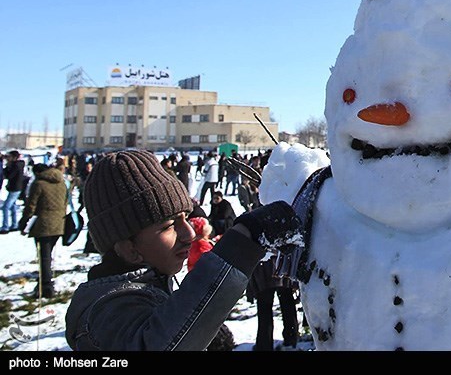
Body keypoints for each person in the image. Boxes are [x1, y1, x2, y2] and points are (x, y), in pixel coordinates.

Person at [64, 149, 302, 351]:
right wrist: (242, 242)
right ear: (129, 250)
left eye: (186, 218)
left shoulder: (150, 285)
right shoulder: (106, 312)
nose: (189, 234)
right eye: (169, 226)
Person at [18, 163, 69, 299]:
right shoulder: (62, 183)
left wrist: (24, 221)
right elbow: (65, 202)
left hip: (43, 224)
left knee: (44, 257)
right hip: (59, 223)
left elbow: (31, 206)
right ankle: (45, 283)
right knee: (48, 255)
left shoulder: (39, 184)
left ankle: (46, 286)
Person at [246, 255, 299, 351]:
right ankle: (291, 339)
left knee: (265, 307)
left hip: (264, 267)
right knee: (287, 302)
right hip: (282, 263)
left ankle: (264, 344)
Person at [1, 150, 26, 234]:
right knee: (13, 207)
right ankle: (14, 225)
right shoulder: (19, 164)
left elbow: (8, 175)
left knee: (6, 207)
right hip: (16, 188)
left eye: (10, 157)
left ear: (14, 157)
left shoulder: (16, 166)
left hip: (14, 189)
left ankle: (5, 227)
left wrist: (7, 166)